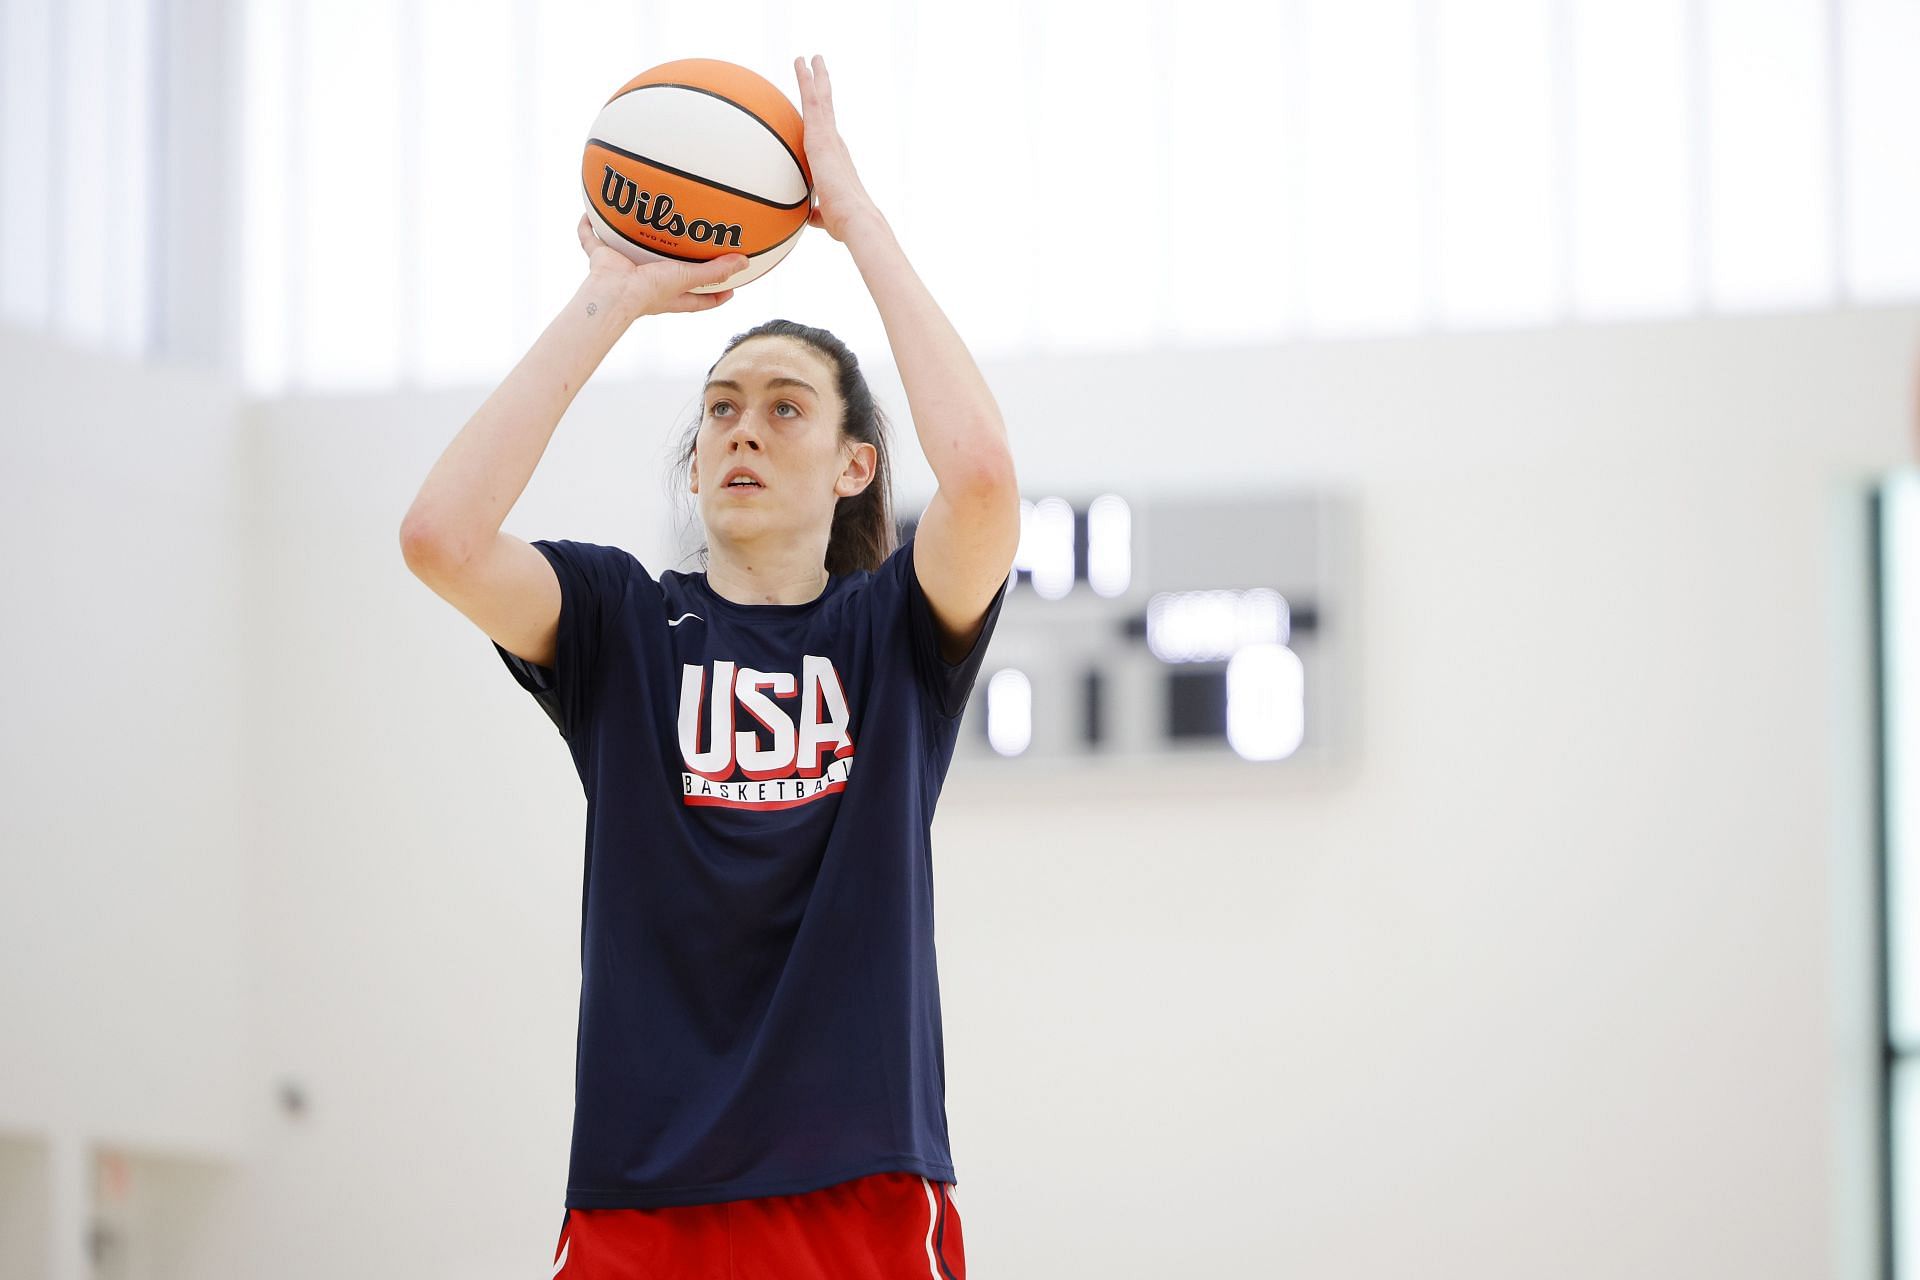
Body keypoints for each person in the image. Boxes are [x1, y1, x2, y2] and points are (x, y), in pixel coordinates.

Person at [399, 55, 1016, 1279]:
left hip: (861, 1186)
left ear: (853, 465)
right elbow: (441, 537)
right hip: (642, 1192)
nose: (742, 425)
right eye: (722, 407)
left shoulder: (894, 634)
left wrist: (857, 219)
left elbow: (987, 480)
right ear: (693, 464)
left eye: (787, 407)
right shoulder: (621, 624)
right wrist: (614, 293)